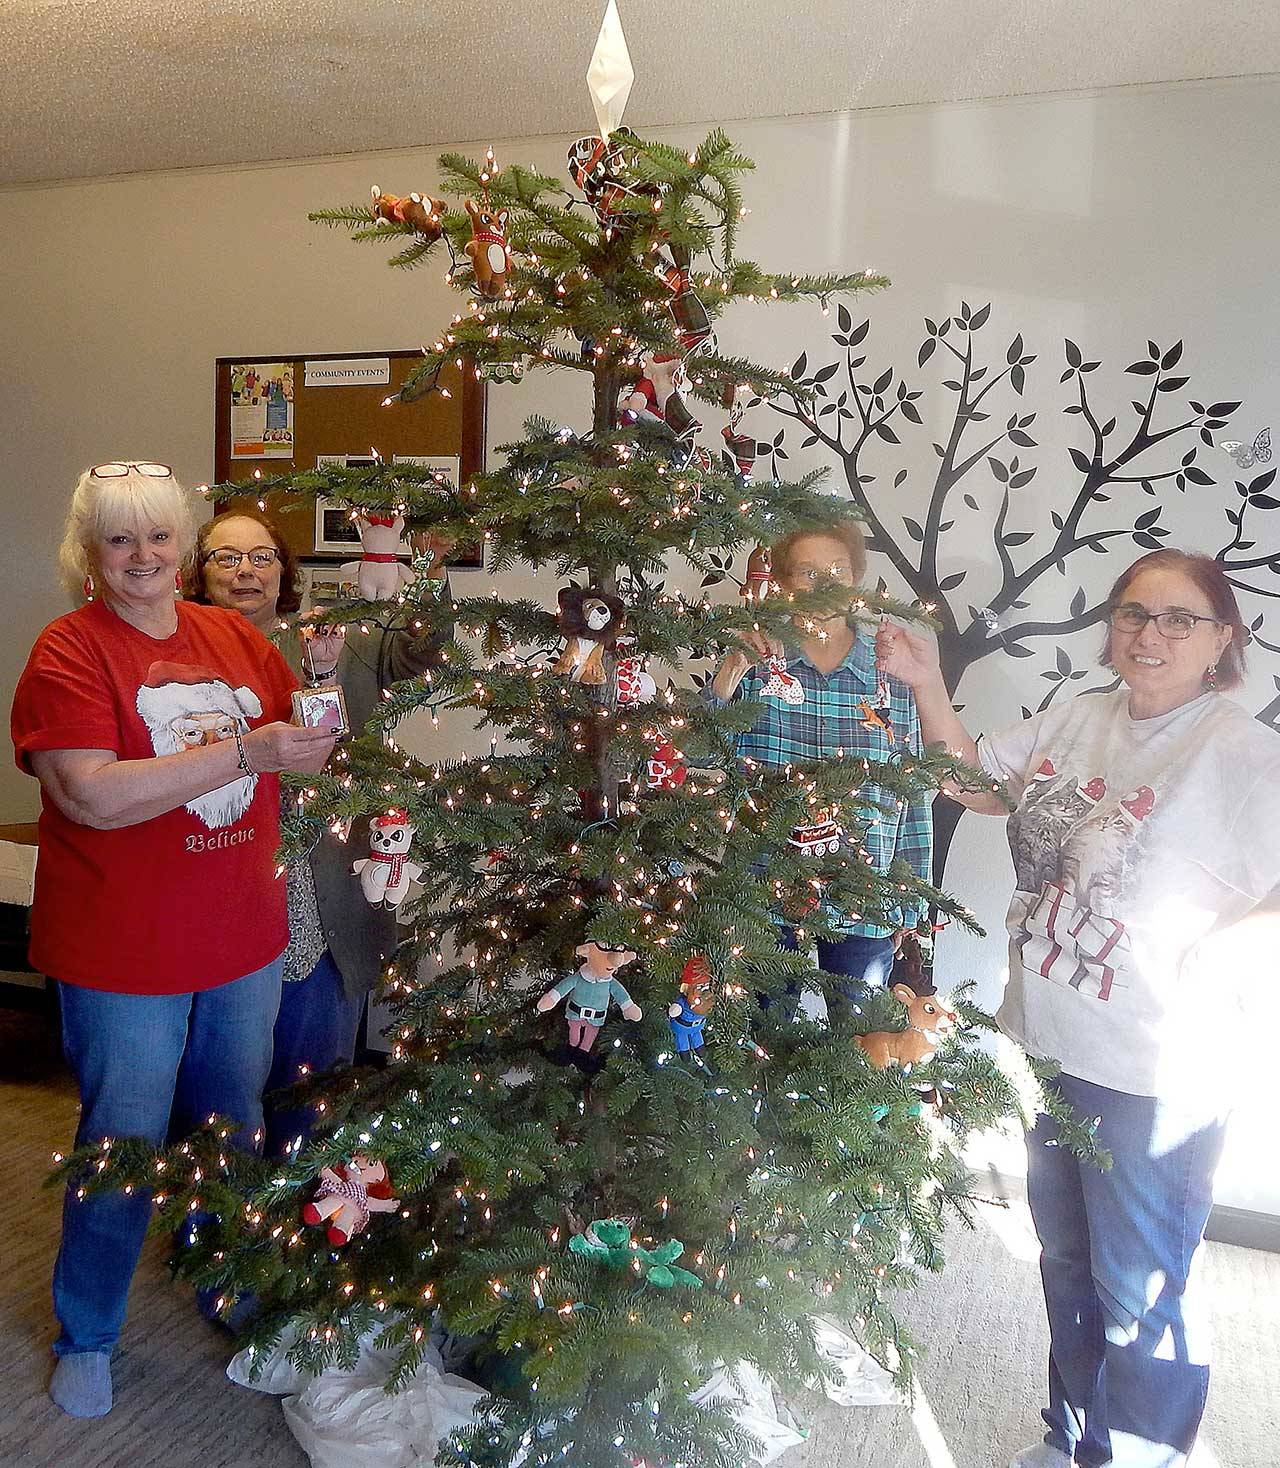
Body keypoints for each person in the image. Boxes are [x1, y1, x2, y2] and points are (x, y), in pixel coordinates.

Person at [875, 548, 1280, 1468]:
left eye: (1181, 619)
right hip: (1055, 1039)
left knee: (1140, 1288)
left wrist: (1220, 952)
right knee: (1065, 1261)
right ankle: (1072, 1439)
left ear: (1222, 640)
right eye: (1135, 614)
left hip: (1158, 1068)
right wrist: (930, 685)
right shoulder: (1082, 717)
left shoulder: (1241, 750)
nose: (1151, 634)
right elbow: (977, 786)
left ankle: (1143, 1454)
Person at [10, 463, 338, 1418]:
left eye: (158, 537)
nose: (143, 557)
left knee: (231, 1121)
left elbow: (299, 730)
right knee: (123, 1136)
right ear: (90, 553)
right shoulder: (68, 652)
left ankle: (227, 1283)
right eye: (120, 540)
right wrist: (249, 750)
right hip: (125, 951)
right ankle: (90, 1333)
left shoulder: (231, 634)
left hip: (243, 936)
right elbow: (91, 795)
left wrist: (321, 709)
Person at [187, 507, 452, 1152]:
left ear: (286, 570)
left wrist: (432, 569)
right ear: (200, 572)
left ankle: (302, 1216)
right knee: (219, 1076)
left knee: (312, 1068)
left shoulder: (336, 638)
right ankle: (219, 1221)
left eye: (261, 557)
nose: (245, 571)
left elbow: (420, 648)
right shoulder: (178, 653)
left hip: (321, 883)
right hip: (215, 877)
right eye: (226, 557)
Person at [705, 521, 932, 996]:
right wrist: (731, 668)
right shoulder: (759, 661)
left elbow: (911, 792)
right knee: (756, 1041)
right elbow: (699, 751)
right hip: (764, 887)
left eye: (837, 569)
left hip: (864, 896)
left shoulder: (890, 669)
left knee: (858, 1048)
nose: (824, 583)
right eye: (807, 572)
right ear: (784, 585)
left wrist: (911, 902)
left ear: (855, 579)